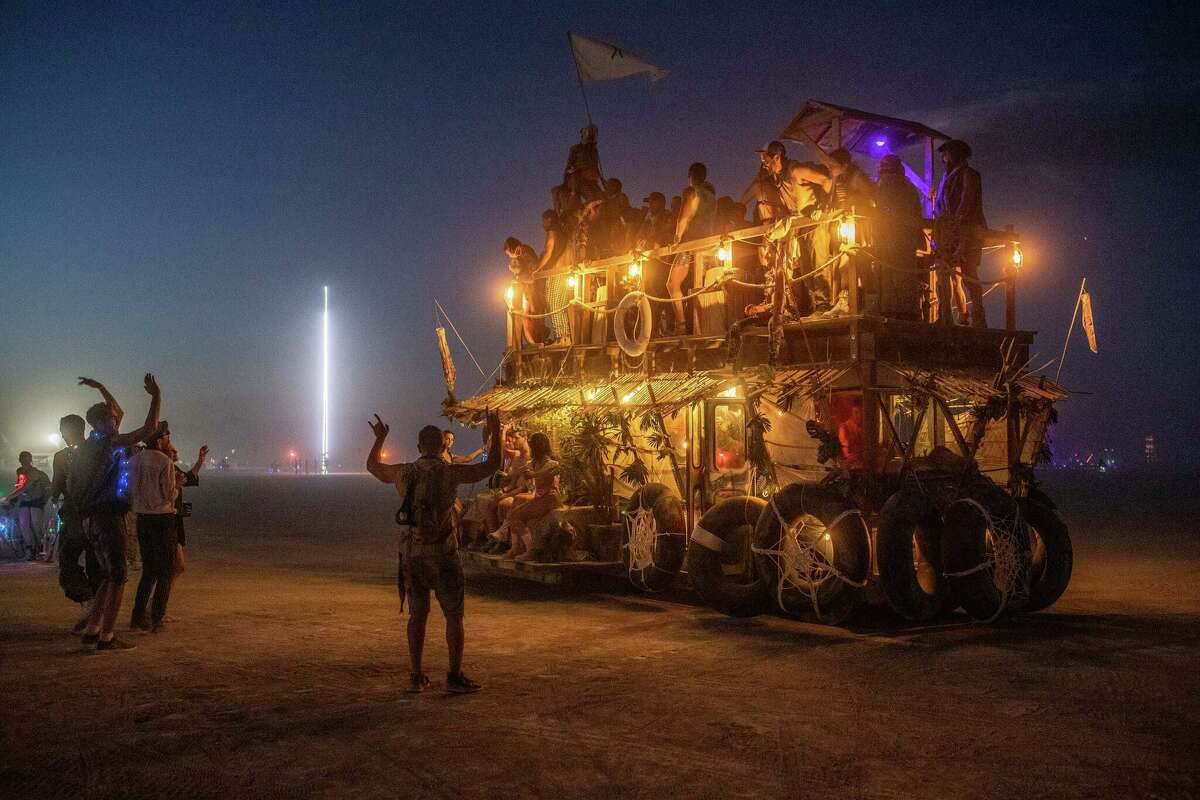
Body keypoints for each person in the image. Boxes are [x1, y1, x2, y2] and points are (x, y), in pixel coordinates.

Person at [366, 410, 501, 694]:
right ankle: (454, 675)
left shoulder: (403, 472)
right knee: (454, 615)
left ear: (418, 447)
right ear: (443, 446)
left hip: (413, 555)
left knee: (418, 616)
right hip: (444, 555)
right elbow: (492, 465)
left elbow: (373, 467)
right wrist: (495, 431)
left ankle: (416, 675)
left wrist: (380, 439)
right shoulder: (450, 472)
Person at [68, 373, 161, 651]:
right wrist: (156, 396)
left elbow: (117, 411)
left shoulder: (90, 445)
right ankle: (107, 636)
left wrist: (102, 388)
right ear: (100, 423)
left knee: (110, 574)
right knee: (118, 574)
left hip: (92, 518)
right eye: (110, 419)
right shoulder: (107, 443)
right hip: (106, 516)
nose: (116, 420)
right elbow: (149, 427)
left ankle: (93, 630)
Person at [754, 141, 834, 317]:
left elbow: (826, 180)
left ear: (776, 157)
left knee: (818, 264)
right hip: (799, 225)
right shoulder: (779, 179)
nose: (763, 164)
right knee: (806, 269)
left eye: (765, 159)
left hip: (814, 223)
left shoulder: (796, 170)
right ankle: (816, 307)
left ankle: (824, 306)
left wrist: (823, 207)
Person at [50, 413, 102, 631]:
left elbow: (56, 489)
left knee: (68, 561)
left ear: (69, 431)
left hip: (74, 516)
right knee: (96, 565)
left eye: (63, 430)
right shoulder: (98, 450)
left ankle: (88, 602)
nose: (62, 435)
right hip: (99, 515)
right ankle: (95, 617)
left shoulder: (62, 457)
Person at [128, 423, 178, 632]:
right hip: (162, 518)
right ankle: (157, 617)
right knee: (166, 570)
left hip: (143, 518)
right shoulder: (164, 461)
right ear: (159, 440)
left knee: (149, 571)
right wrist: (179, 485)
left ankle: (137, 617)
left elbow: (129, 489)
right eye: (167, 437)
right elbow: (168, 494)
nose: (169, 442)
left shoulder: (134, 460)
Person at [933, 139, 987, 327]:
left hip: (968, 230)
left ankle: (978, 317)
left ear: (955, 155)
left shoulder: (970, 175)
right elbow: (940, 204)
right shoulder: (946, 178)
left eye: (946, 154)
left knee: (969, 272)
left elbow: (967, 201)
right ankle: (946, 315)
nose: (943, 158)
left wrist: (954, 223)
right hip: (948, 232)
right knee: (944, 272)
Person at [666, 162, 717, 335]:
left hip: (690, 244)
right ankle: (708, 323)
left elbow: (684, 218)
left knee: (672, 283)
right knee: (705, 285)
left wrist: (676, 239)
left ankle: (681, 325)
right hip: (708, 243)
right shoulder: (711, 195)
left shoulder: (691, 191)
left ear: (690, 176)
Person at [873, 154, 926, 319]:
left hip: (891, 235)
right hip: (907, 238)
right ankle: (910, 310)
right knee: (906, 273)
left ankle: (893, 310)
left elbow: (879, 205)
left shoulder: (885, 183)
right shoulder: (909, 187)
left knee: (891, 272)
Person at [503, 433, 562, 562]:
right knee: (513, 514)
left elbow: (546, 473)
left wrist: (533, 475)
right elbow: (521, 471)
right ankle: (516, 547)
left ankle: (531, 550)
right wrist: (508, 475)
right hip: (540, 498)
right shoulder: (534, 462)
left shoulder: (552, 463)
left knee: (516, 516)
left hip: (549, 499)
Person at [3, 452, 51, 561]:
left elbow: (25, 487)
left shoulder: (36, 473)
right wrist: (13, 500)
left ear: (30, 460)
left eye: (26, 459)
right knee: (24, 525)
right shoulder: (21, 473)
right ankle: (31, 549)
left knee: (36, 525)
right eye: (22, 459)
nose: (24, 462)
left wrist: (9, 497)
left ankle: (42, 548)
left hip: (36, 501)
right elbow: (20, 488)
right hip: (25, 501)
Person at [538, 209, 572, 343]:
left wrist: (537, 269)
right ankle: (564, 335)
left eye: (544, 221)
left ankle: (562, 336)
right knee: (559, 303)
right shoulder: (562, 234)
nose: (543, 224)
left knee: (554, 303)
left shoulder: (552, 233)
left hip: (557, 272)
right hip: (561, 272)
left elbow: (548, 252)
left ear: (549, 220)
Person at [504, 236, 546, 344]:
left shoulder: (525, 252)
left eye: (508, 253)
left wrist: (518, 276)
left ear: (511, 248)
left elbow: (532, 273)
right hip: (528, 290)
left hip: (534, 290)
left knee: (533, 315)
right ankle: (535, 341)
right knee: (528, 316)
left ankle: (538, 340)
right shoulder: (521, 254)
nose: (509, 256)